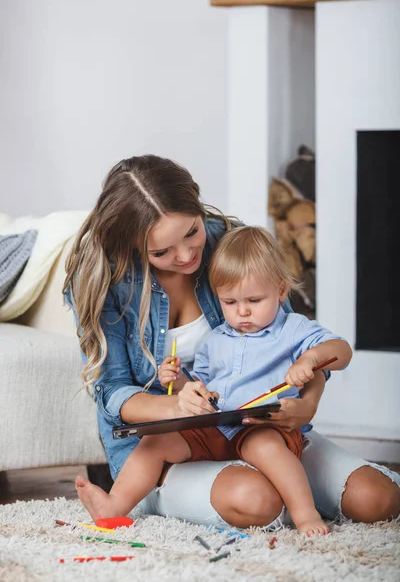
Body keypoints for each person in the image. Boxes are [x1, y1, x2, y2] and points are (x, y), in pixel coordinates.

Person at [64, 154, 400, 532]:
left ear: (196, 202)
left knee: (378, 499)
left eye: (192, 232)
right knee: (257, 500)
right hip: (173, 446)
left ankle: (290, 495)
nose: (188, 255)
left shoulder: (233, 246)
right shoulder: (107, 281)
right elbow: (112, 392)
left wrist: (307, 406)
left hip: (260, 429)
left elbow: (296, 342)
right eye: (161, 253)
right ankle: (134, 503)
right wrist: (175, 398)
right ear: (132, 247)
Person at [74, 226, 353, 535]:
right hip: (214, 424)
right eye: (230, 303)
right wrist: (180, 381)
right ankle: (113, 507)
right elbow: (202, 386)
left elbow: (341, 351)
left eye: (254, 300)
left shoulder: (294, 328)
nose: (243, 311)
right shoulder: (216, 339)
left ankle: (306, 514)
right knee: (154, 444)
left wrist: (310, 360)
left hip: (262, 427)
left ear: (281, 291)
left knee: (266, 448)